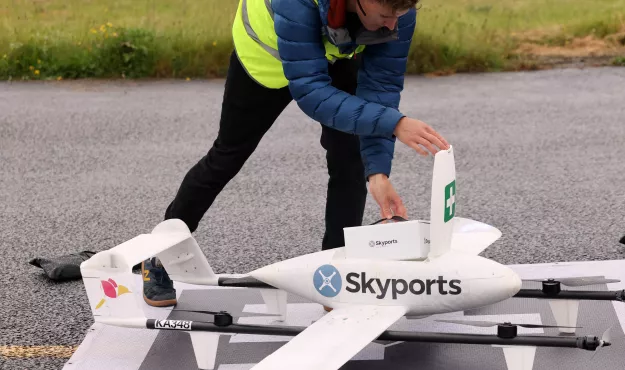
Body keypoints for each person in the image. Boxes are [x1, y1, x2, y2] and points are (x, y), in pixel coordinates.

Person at [141, 0, 450, 308]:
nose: (393, 25)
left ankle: (336, 275)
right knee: (227, 156)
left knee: (350, 162)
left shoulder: (397, 7)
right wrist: (395, 124)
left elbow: (381, 88)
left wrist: (378, 172)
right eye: (386, 16)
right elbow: (312, 93)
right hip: (266, 60)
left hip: (336, 53)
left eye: (400, 16)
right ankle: (160, 256)